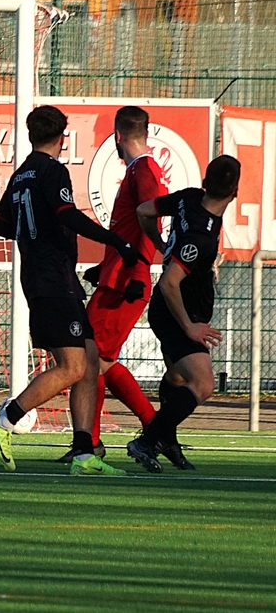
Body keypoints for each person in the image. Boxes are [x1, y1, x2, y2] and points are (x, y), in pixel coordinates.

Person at [0, 105, 143, 476]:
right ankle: (4, 422)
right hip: (51, 279)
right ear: (62, 137)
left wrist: (34, 232)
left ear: (30, 135)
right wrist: (114, 241)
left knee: (90, 362)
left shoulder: (21, 174)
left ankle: (83, 452)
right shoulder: (52, 170)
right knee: (72, 367)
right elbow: (66, 214)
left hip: (52, 278)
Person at [57, 106, 164, 463]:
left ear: (118, 136)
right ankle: (155, 429)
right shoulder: (138, 170)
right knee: (101, 360)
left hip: (124, 283)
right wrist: (104, 267)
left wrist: (135, 271)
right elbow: (134, 229)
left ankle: (92, 442)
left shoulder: (143, 170)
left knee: (87, 359)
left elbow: (150, 222)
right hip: (117, 278)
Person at [126, 155, 241, 473]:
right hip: (177, 312)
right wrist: (189, 327)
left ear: (205, 182)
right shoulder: (201, 238)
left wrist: (160, 244)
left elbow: (144, 210)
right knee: (203, 383)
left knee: (177, 378)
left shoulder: (189, 197)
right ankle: (148, 440)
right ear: (235, 192)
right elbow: (169, 282)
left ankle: (167, 440)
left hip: (173, 309)